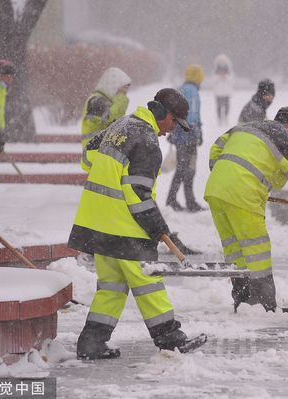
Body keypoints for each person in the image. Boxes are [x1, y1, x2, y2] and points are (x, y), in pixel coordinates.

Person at [68, 88, 206, 359]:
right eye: (174, 123)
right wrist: (157, 228)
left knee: (112, 286)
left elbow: (87, 157)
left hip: (96, 224)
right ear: (163, 114)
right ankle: (170, 339)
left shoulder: (121, 125)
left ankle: (91, 343)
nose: (171, 131)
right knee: (148, 283)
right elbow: (137, 192)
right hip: (124, 225)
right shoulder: (146, 140)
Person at [205, 106, 288, 313]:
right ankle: (264, 304)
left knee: (234, 247)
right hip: (244, 194)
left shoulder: (247, 127)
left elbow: (216, 148)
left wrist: (226, 174)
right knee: (257, 249)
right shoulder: (285, 138)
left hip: (216, 189)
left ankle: (243, 300)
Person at [166, 64, 206, 212]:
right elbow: (191, 115)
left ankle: (178, 200)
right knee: (187, 169)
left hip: (181, 134)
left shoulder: (184, 89)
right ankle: (184, 201)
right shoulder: (191, 91)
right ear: (197, 77)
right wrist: (196, 131)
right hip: (186, 135)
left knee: (184, 168)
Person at [81, 67, 132, 172]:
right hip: (95, 152)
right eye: (123, 89)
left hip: (101, 152)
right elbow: (109, 117)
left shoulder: (105, 101)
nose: (125, 93)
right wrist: (121, 99)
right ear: (114, 86)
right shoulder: (96, 100)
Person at [212, 54, 234, 125]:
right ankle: (220, 120)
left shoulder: (229, 70)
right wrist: (219, 77)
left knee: (226, 107)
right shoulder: (216, 70)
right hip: (218, 93)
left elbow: (232, 80)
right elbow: (213, 80)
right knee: (219, 107)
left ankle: (226, 118)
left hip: (226, 92)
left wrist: (226, 77)